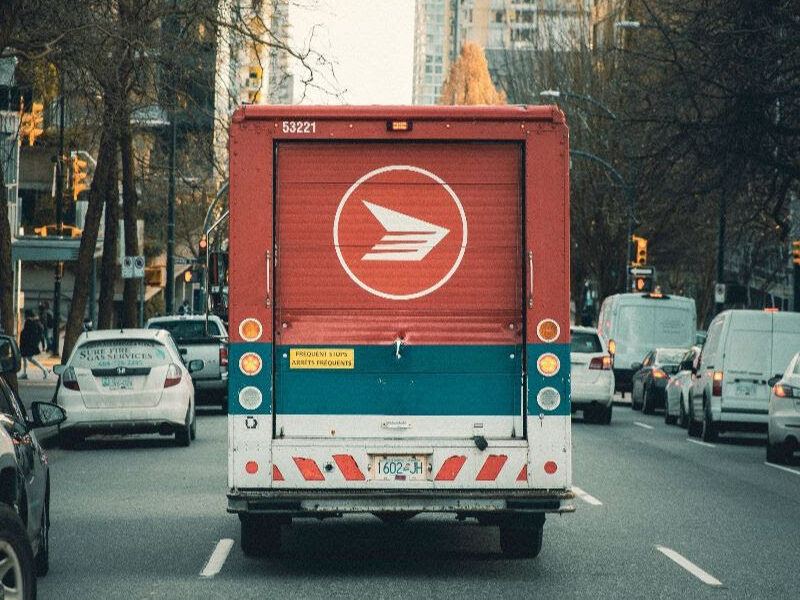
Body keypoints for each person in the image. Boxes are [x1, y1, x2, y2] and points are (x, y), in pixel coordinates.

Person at [19, 310, 47, 379]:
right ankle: (26, 372)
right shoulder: (35, 322)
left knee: (28, 358)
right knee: (27, 358)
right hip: (29, 344)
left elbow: (26, 333)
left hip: (26, 344)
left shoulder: (28, 322)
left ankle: (43, 369)